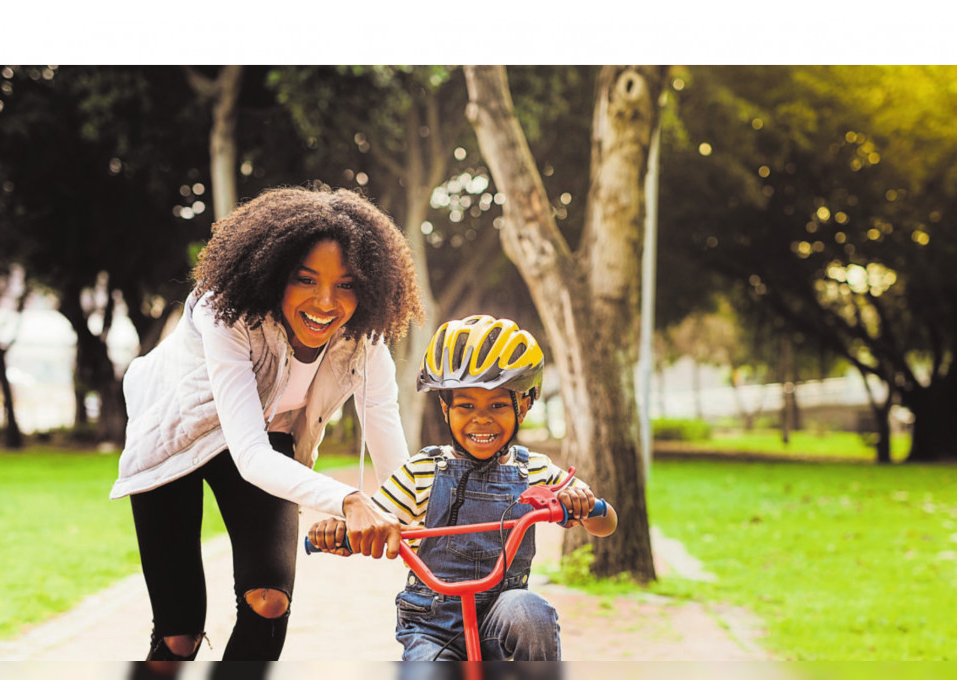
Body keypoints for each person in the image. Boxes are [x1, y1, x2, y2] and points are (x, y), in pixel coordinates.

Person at [110, 186, 425, 661]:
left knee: (269, 601)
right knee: (180, 636)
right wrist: (348, 500)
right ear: (274, 274)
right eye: (306, 280)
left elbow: (381, 418)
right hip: (174, 441)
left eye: (345, 285)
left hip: (268, 436)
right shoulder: (227, 311)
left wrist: (412, 509)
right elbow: (248, 455)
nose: (325, 302)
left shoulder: (364, 336)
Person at [308, 315, 619, 660]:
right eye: (466, 405)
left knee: (530, 610)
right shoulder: (422, 471)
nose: (481, 418)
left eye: (498, 405)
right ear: (445, 407)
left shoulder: (535, 470)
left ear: (525, 405)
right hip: (432, 625)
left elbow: (606, 524)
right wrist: (339, 532)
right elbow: (377, 520)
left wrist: (583, 504)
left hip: (502, 615)